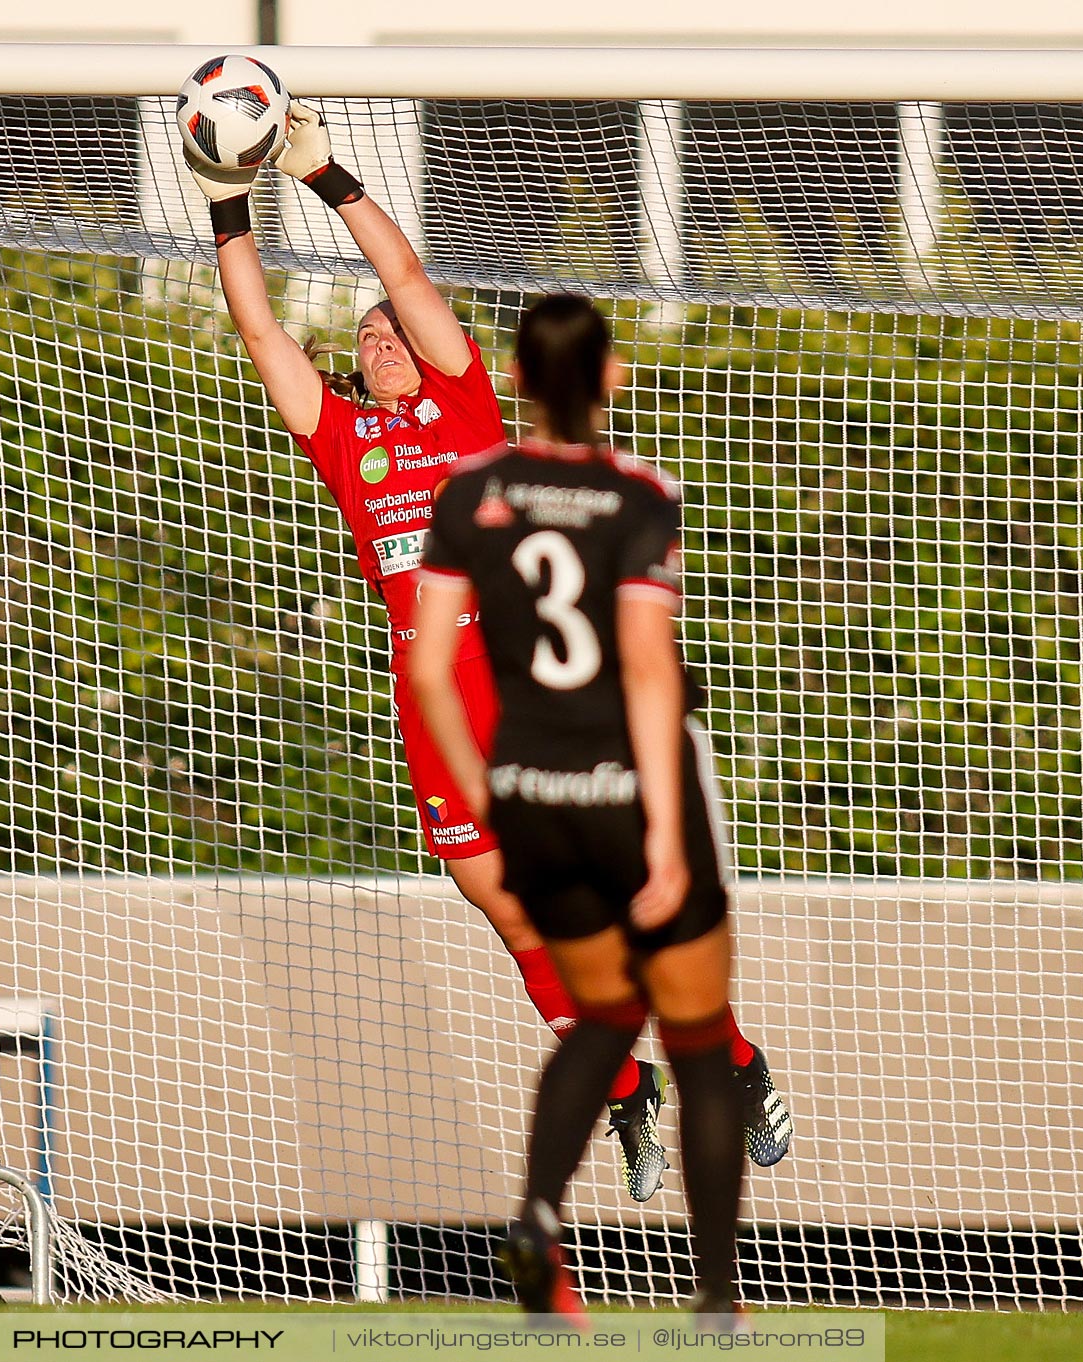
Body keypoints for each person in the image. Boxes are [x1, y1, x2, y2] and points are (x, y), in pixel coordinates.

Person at [181, 105, 788, 1206]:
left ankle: (736, 1069)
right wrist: (226, 201)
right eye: (362, 335)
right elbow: (266, 333)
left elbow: (405, 276)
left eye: (391, 331)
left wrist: (323, 178)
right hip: (436, 710)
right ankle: (625, 1091)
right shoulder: (344, 440)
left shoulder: (464, 413)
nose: (377, 338)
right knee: (509, 912)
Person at [408, 293, 751, 1320]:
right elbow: (649, 674)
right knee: (692, 1039)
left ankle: (537, 1219)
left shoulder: (468, 490)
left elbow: (429, 672)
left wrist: (492, 800)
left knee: (600, 1016)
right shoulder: (638, 495)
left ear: (514, 379)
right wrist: (663, 837)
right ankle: (719, 1301)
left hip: (529, 793)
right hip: (624, 789)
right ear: (611, 379)